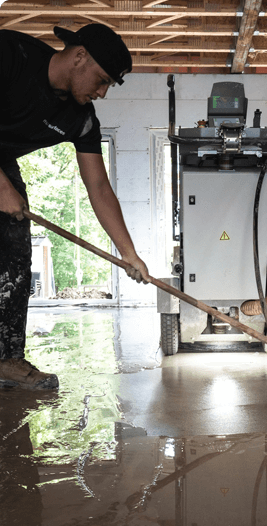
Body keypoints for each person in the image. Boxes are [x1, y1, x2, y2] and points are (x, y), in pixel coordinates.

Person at [0, 24, 152, 391]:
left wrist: (129, 253)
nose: (100, 93)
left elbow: (98, 186)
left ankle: (6, 359)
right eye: (100, 81)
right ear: (79, 56)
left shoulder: (81, 120)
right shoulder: (11, 54)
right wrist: (2, 187)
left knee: (15, 252)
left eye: (108, 86)